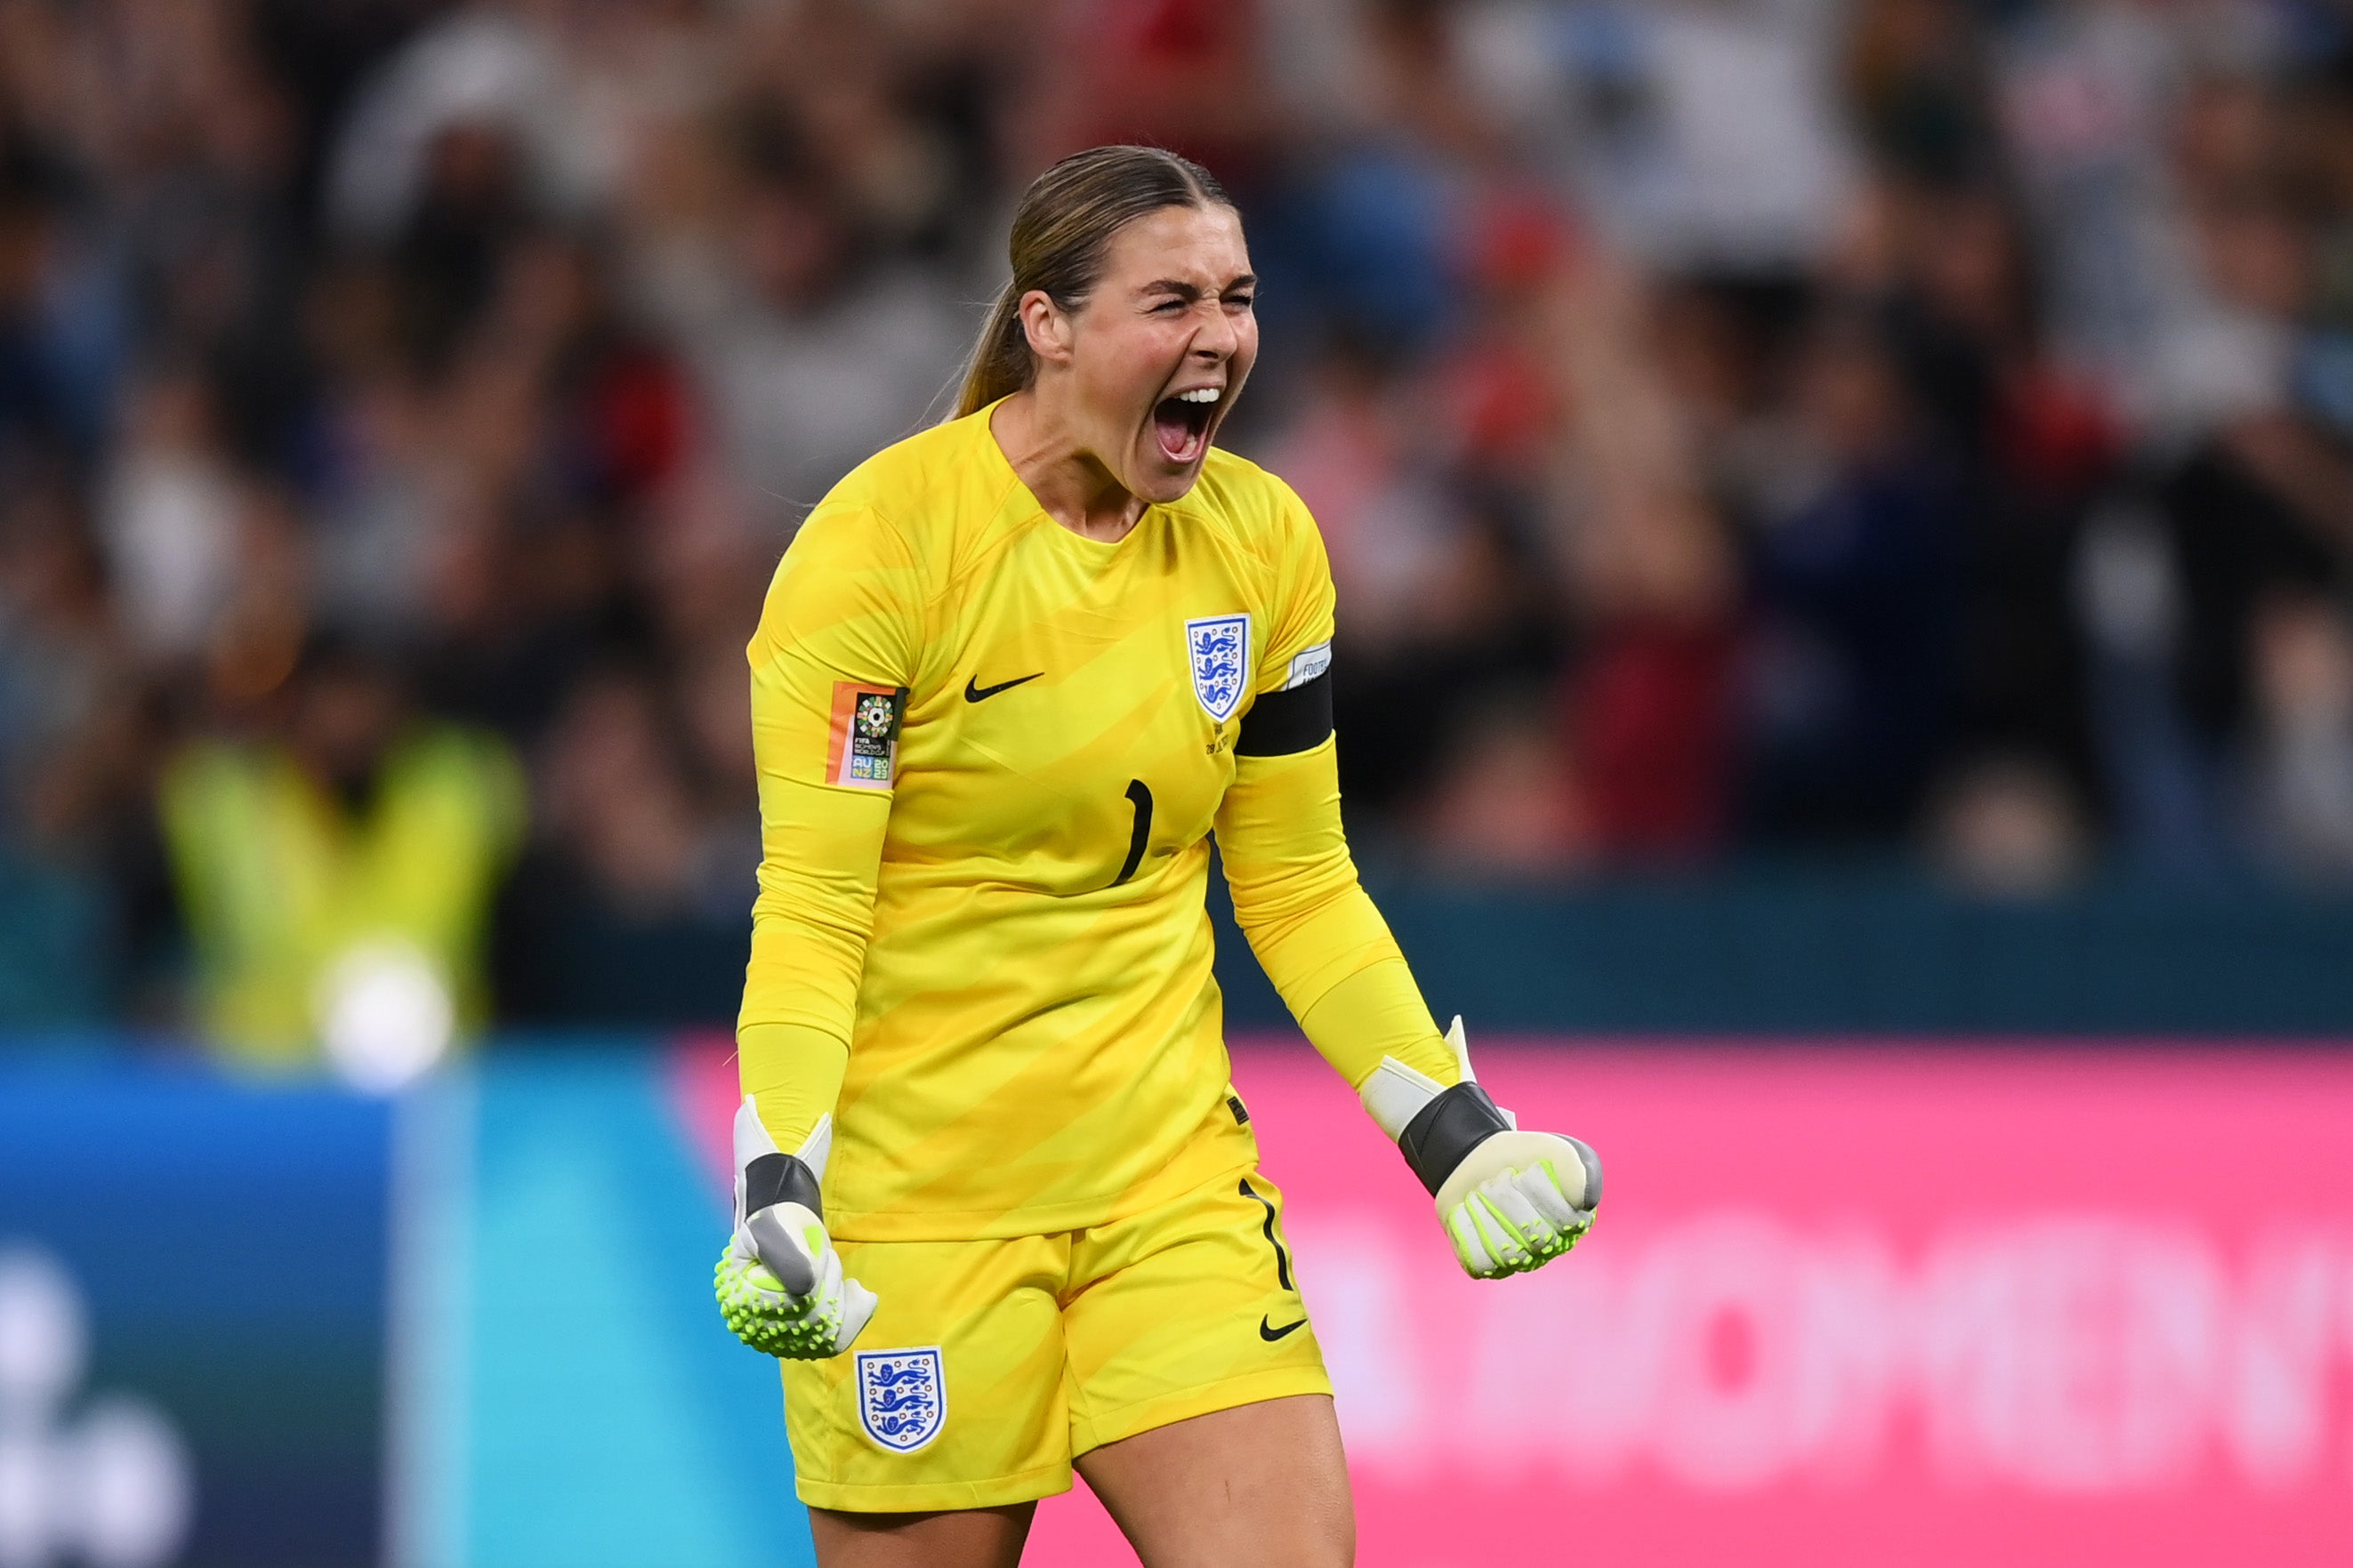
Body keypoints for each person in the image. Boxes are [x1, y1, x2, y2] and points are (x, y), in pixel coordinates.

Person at [711, 146, 1601, 1568]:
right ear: (1047, 325)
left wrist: (1454, 1134)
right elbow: (815, 906)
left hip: (1162, 1189)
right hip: (919, 1218)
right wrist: (779, 1188)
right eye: (1170, 300)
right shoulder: (876, 554)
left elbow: (1299, 882)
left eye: (1237, 300)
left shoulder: (1262, 545)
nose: (1219, 339)